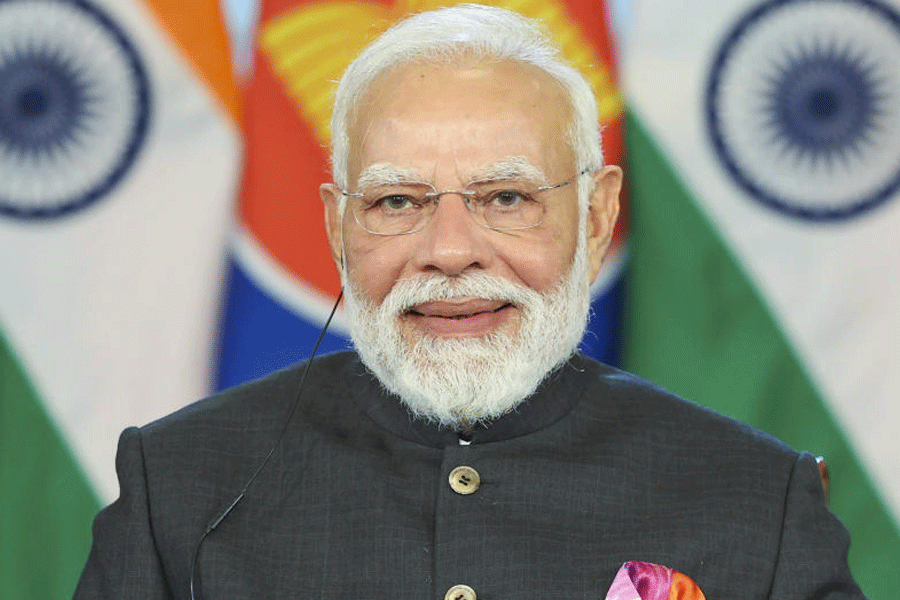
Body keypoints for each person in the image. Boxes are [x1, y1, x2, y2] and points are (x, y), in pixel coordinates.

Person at [74, 4, 865, 599]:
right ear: (336, 225)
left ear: (595, 218)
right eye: (395, 202)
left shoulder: (758, 498)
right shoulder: (176, 484)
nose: (450, 250)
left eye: (506, 197)